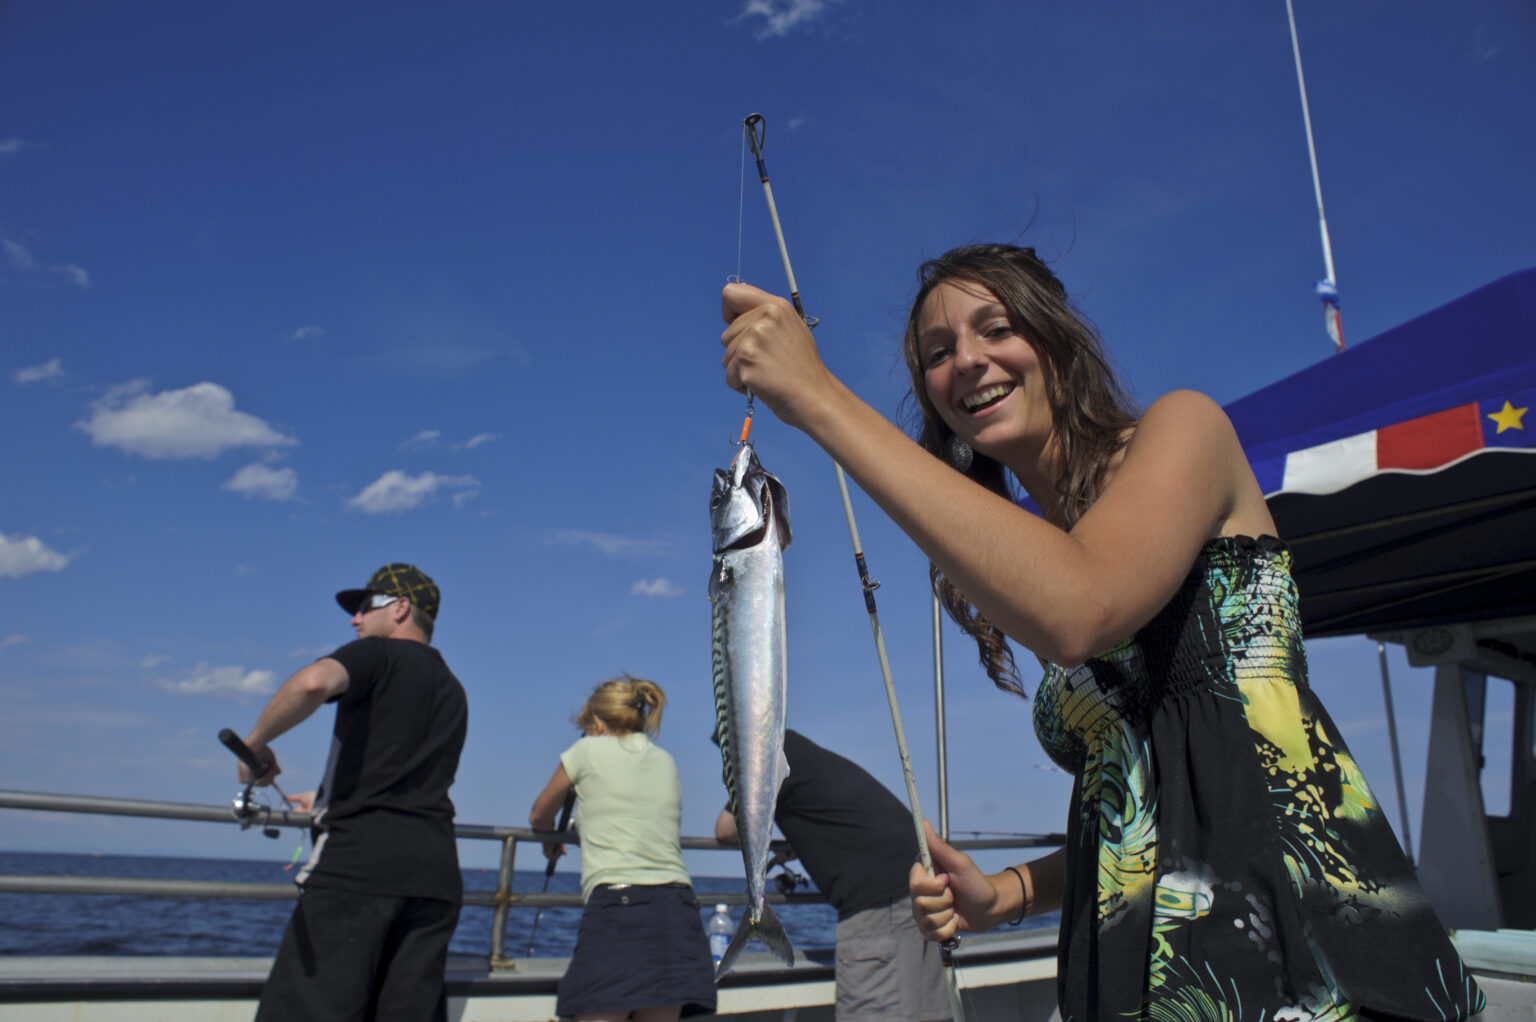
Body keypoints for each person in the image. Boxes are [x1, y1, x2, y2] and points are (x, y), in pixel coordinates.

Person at [719, 245, 1485, 1021]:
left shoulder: (1185, 429)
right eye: (938, 354)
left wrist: (818, 397)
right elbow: (1148, 804)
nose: (968, 362)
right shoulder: (1040, 553)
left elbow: (1077, 611)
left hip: (1298, 952)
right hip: (1127, 970)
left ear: (1056, 339)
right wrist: (1007, 895)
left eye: (996, 329)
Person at [238, 563, 468, 1022]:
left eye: (365, 605)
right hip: (435, 875)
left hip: (359, 871)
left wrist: (253, 748)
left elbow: (312, 682)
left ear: (401, 607)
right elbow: (402, 774)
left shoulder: (378, 654)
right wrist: (322, 798)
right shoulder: (453, 687)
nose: (354, 619)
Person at [713, 729, 951, 1022]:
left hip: (878, 902)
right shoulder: (803, 758)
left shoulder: (766, 758)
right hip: (922, 884)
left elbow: (725, 829)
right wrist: (799, 843)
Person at [529, 675, 716, 1022]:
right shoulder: (665, 760)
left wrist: (549, 841)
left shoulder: (586, 750)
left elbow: (540, 813)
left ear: (597, 722)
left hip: (620, 907)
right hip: (678, 908)